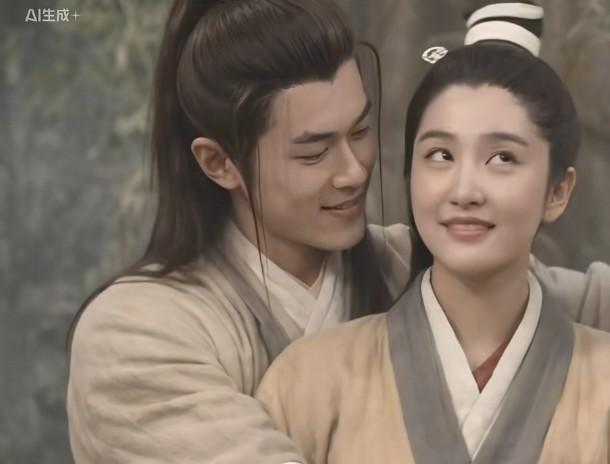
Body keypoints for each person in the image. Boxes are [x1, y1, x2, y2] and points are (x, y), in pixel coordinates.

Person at [67, 0, 610, 462]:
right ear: (219, 162)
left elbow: (570, 300)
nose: (353, 171)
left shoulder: (409, 261)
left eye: (361, 131)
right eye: (314, 151)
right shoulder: (137, 335)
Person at [256, 4, 610, 464]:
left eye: (502, 158)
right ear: (410, 174)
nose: (464, 191)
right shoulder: (309, 381)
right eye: (440, 155)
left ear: (558, 191)